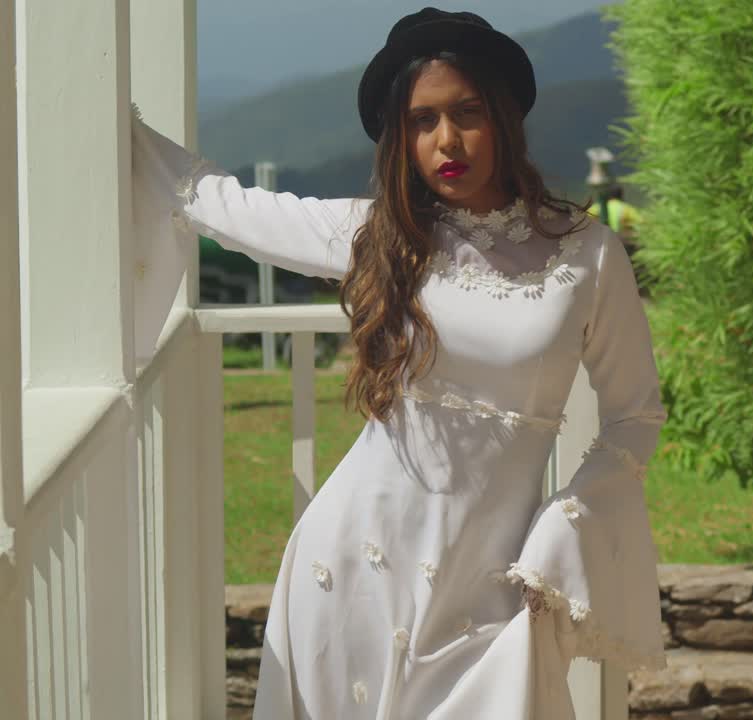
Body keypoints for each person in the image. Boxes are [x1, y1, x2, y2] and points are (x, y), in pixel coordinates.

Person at [130, 8, 667, 719]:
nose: (447, 140)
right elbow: (226, 206)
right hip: (350, 570)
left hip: (494, 595)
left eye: (467, 112)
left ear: (503, 116)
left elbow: (635, 415)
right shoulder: (381, 236)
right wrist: (118, 126)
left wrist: (569, 522)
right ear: (401, 138)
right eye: (421, 121)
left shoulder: (587, 253)